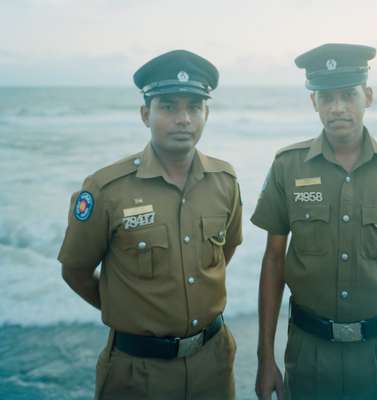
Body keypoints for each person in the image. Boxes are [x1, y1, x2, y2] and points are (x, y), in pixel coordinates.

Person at [251, 43, 377, 400]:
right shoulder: (287, 167)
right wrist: (265, 358)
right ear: (314, 103)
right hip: (309, 357)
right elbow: (273, 261)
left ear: (367, 96)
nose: (337, 107)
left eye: (347, 95)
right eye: (326, 97)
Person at [58, 49, 242, 400]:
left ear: (206, 113)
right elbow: (75, 271)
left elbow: (224, 252)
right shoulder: (106, 189)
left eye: (193, 106)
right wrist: (129, 310)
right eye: (168, 106)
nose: (183, 118)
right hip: (137, 372)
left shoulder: (225, 181)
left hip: (213, 364)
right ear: (146, 114)